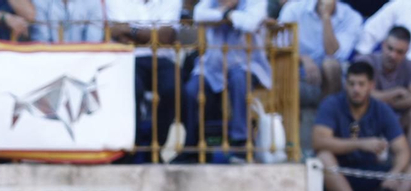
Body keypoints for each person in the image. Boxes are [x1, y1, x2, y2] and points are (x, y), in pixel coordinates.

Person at [314, 61, 411, 191]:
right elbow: (319, 142)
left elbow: (403, 150)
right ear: (345, 84)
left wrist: (394, 174)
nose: (356, 89)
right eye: (351, 84)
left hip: (370, 172)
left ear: (371, 86)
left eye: (361, 84)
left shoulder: (381, 109)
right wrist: (360, 144)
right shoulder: (332, 104)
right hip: (339, 172)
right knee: (324, 157)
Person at [185, 0, 272, 151]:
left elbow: (249, 23)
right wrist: (225, 13)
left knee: (238, 78)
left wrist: (226, 14)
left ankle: (241, 142)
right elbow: (198, 15)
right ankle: (192, 147)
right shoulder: (211, 2)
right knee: (191, 90)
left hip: (247, 65)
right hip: (213, 68)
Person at [108, 0, 187, 160]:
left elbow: (165, 36)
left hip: (162, 58)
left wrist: (131, 31)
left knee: (174, 88)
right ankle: (131, 147)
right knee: (130, 90)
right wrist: (152, 34)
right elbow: (116, 31)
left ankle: (154, 146)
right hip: (128, 57)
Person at [277, 0, 365, 105]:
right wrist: (302, 59)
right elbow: (278, 47)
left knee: (330, 65)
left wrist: (326, 16)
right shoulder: (293, 9)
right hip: (295, 71)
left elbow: (333, 54)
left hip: (332, 79)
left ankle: (327, 116)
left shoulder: (352, 17)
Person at [364, 27, 411, 161]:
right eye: (390, 48)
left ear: (406, 52)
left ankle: (408, 165)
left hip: (397, 123)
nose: (393, 55)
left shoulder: (410, 66)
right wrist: (395, 92)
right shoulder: (367, 62)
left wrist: (382, 98)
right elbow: (363, 95)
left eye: (400, 52)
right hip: (369, 120)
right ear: (383, 45)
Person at [29, 0, 105, 42]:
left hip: (84, 62)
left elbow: (93, 43)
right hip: (50, 61)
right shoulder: (40, 1)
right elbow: (42, 41)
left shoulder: (93, 2)